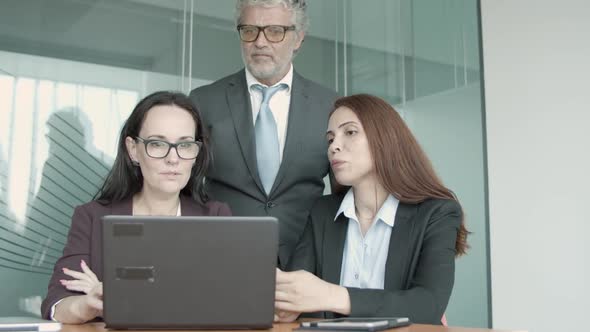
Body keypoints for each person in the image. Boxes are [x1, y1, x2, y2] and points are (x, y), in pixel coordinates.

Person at [274, 94, 469, 325]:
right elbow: (293, 294)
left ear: (384, 139)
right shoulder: (321, 212)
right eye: (330, 139)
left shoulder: (437, 213)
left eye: (350, 132)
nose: (334, 146)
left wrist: (332, 295)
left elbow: (428, 306)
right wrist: (283, 303)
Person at [40, 91, 231, 324]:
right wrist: (87, 304)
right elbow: (57, 304)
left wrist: (125, 298)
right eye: (158, 144)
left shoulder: (216, 218)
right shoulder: (92, 217)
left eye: (185, 144)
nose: (173, 159)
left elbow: (227, 303)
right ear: (133, 149)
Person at [189, 0, 339, 268]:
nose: (259, 42)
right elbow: (183, 188)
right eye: (249, 30)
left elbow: (345, 198)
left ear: (298, 38)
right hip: (219, 257)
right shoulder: (203, 101)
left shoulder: (330, 106)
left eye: (274, 31)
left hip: (307, 262)